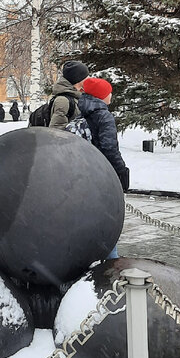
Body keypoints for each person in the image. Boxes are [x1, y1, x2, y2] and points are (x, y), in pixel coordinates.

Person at [79, 76, 130, 261]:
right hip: (102, 174)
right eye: (109, 93)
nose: (111, 96)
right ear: (102, 96)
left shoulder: (82, 111)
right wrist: (121, 171)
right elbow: (109, 147)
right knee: (108, 220)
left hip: (83, 172)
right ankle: (110, 259)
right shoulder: (104, 115)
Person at [47, 60, 89, 129]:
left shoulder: (77, 95)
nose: (89, 79)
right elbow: (57, 130)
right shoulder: (63, 101)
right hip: (69, 139)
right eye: (86, 77)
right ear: (78, 79)